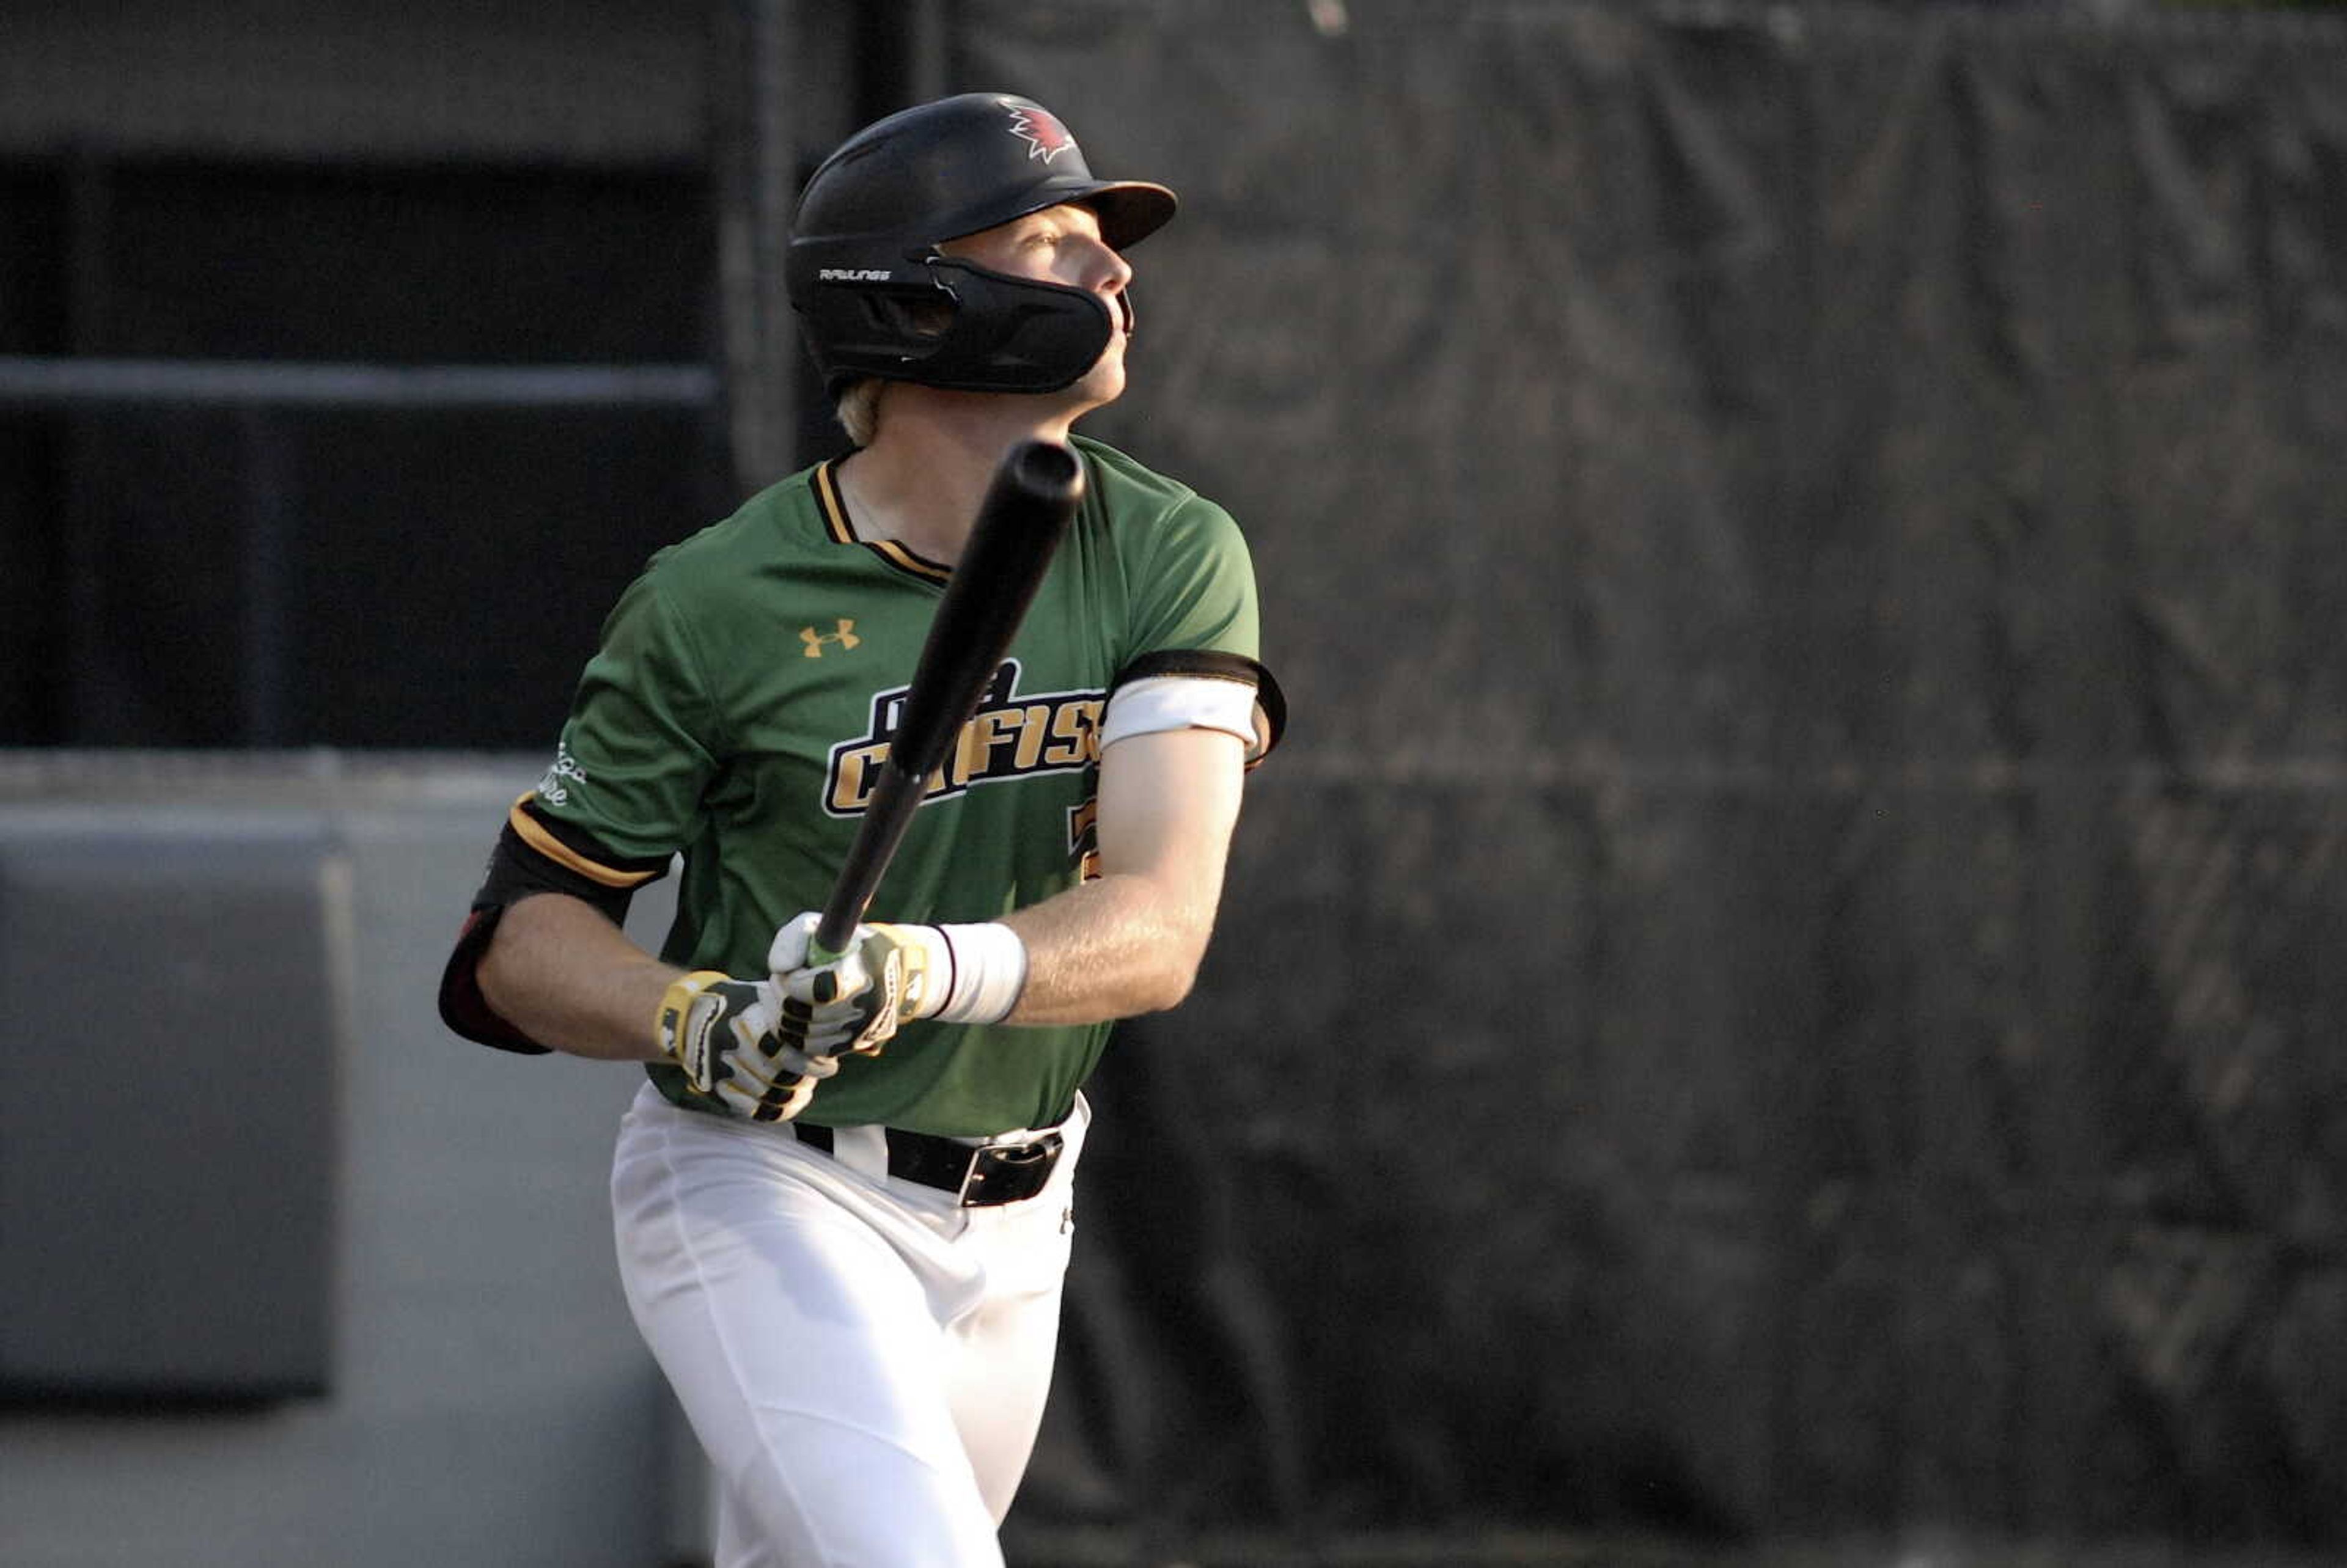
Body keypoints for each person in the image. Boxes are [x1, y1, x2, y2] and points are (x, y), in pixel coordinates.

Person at [436, 91, 1283, 1567]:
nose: (1114, 276)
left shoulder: (1167, 547)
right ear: (915, 296)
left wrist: (917, 968)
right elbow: (522, 940)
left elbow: (1163, 920)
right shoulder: (717, 598)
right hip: (768, 1184)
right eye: (1055, 242)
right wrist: (694, 1016)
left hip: (1020, 1214)